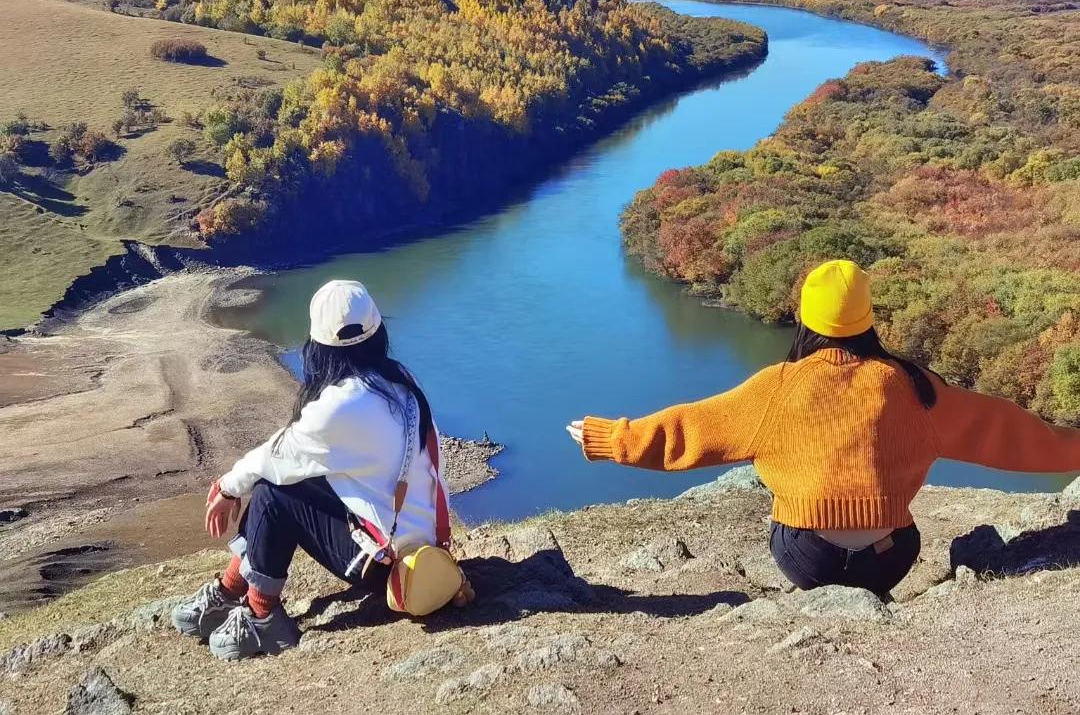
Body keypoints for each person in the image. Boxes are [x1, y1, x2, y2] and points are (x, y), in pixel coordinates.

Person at [567, 259, 1080, 598]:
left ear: (804, 320)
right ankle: (870, 599)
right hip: (890, 560)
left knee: (788, 519)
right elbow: (1006, 431)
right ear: (867, 319)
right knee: (897, 535)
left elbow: (693, 428)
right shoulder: (912, 386)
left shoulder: (778, 385)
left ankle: (824, 603)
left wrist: (612, 438)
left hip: (807, 558)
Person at [172, 279, 448, 659]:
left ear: (318, 346)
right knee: (286, 478)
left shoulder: (341, 404)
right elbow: (291, 451)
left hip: (391, 565)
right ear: (377, 331)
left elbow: (277, 455)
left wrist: (227, 487)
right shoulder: (398, 381)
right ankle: (230, 589)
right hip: (422, 545)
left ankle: (262, 616)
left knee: (273, 491)